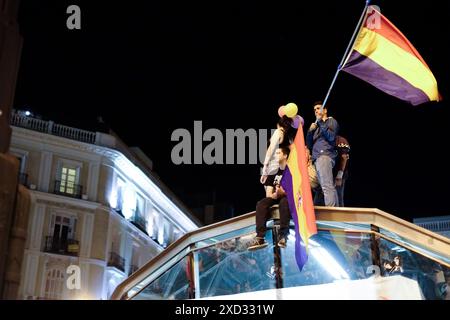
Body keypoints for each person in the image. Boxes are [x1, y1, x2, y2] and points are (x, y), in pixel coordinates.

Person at [249, 146, 291, 251]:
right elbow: (268, 194)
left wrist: (283, 192)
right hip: (276, 196)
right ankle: (260, 237)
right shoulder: (274, 171)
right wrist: (275, 194)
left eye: (278, 153)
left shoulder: (291, 170)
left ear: (285, 155)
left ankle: (283, 236)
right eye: (275, 153)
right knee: (262, 203)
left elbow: (295, 190)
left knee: (284, 202)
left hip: (287, 196)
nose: (276, 155)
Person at [306, 101, 339, 207]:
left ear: (325, 110)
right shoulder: (317, 126)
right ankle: (319, 211)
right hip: (315, 159)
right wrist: (310, 132)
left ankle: (332, 212)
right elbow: (309, 145)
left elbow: (331, 137)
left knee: (326, 186)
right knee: (317, 187)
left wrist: (320, 122)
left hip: (324, 156)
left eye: (318, 108)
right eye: (315, 109)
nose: (316, 110)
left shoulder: (331, 121)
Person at [260, 116, 294, 185]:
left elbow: (270, 149)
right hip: (281, 167)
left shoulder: (278, 132)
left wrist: (265, 168)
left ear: (278, 124)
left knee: (270, 192)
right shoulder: (288, 137)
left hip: (273, 166)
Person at [334, 135, 351, 207]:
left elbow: (344, 157)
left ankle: (340, 217)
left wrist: (339, 175)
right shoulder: (322, 140)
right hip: (327, 173)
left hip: (338, 173)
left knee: (338, 196)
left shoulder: (340, 140)